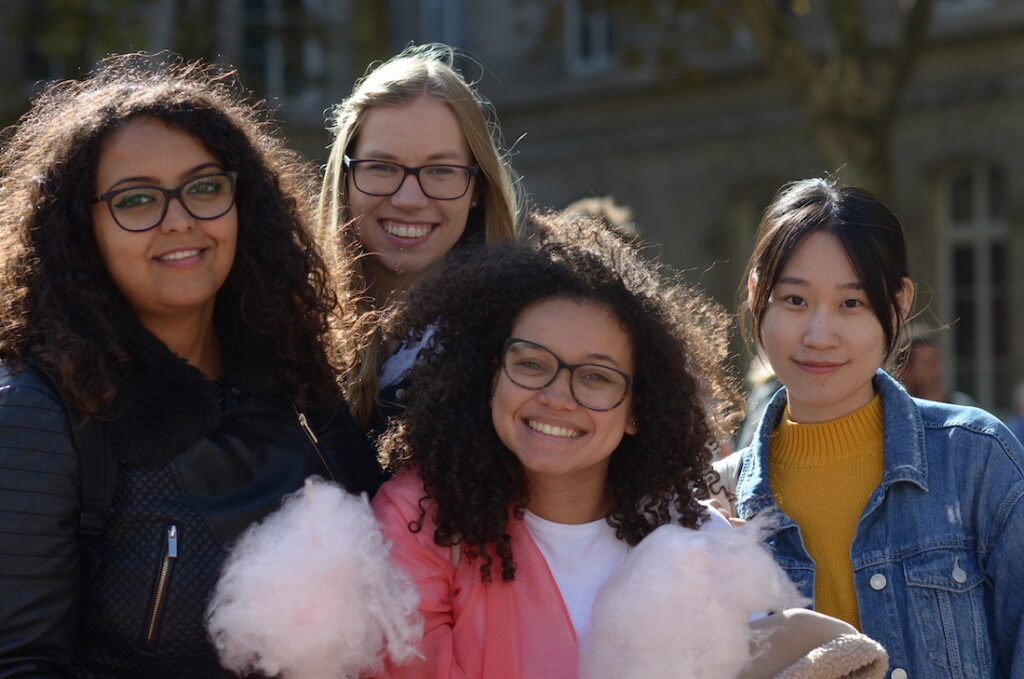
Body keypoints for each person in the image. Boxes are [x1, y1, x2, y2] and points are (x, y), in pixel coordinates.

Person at [366, 213, 892, 678]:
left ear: (638, 409)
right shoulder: (420, 522)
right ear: (491, 375)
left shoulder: (696, 538)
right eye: (530, 363)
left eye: (595, 377)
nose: (556, 397)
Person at [0, 54, 383, 676]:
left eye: (204, 187)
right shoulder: (39, 414)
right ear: (80, 229)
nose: (179, 219)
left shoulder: (298, 376)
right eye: (137, 200)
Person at [715, 178, 1024, 678]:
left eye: (850, 304)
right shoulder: (718, 503)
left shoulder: (975, 459)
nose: (819, 335)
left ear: (899, 304)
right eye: (794, 300)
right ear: (756, 298)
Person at [317, 43, 522, 431]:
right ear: (344, 178)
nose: (409, 199)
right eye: (381, 167)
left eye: (441, 171)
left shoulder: (520, 347)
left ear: (477, 187)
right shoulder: (285, 330)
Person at [899, 330, 977, 406]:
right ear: (905, 370)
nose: (936, 372)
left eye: (936, 362)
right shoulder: (895, 409)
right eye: (927, 364)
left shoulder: (962, 406)